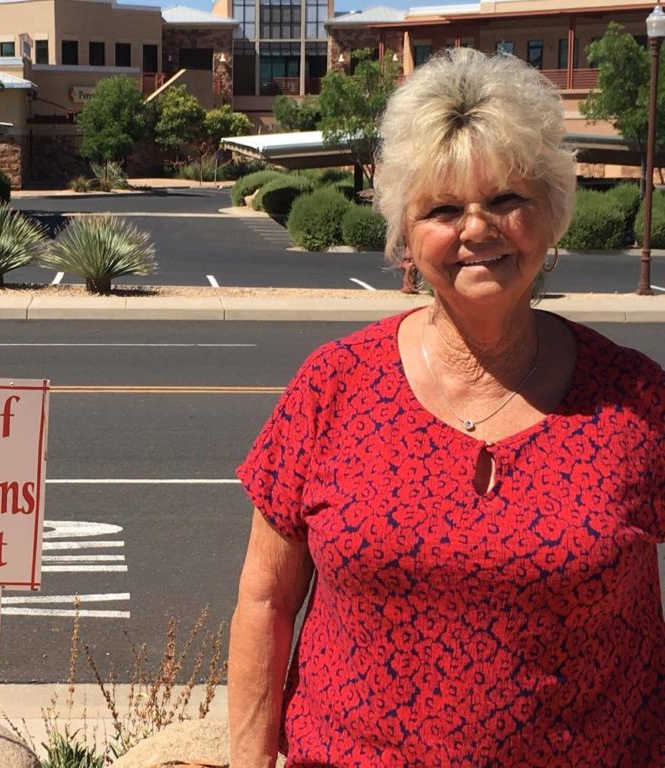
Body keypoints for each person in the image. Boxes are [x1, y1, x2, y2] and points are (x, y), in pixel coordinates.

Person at [229, 47, 665, 766]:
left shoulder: (636, 400)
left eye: (505, 201)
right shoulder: (333, 386)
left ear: (551, 213)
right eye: (441, 208)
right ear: (406, 235)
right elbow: (265, 603)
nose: (475, 229)